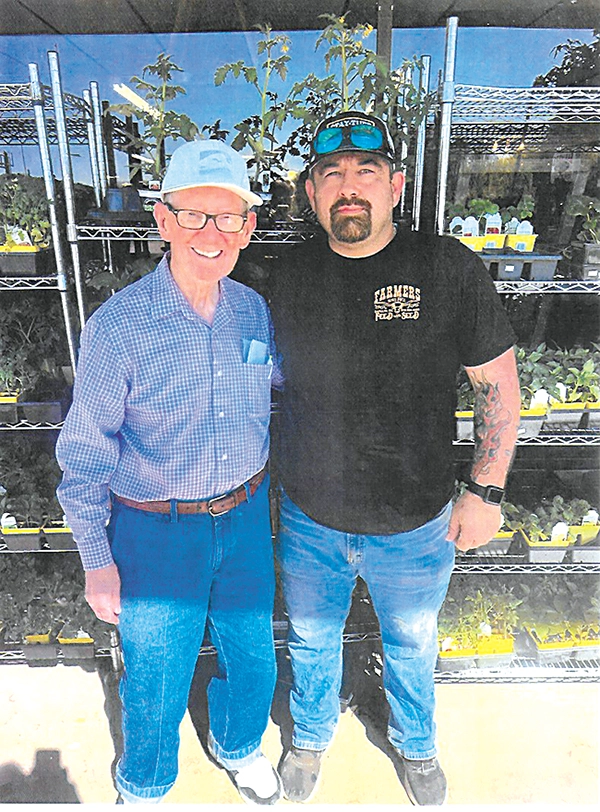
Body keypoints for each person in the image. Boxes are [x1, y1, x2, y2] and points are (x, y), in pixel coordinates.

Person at [268, 112, 521, 806]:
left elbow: (496, 384)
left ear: (397, 186)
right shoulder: (284, 277)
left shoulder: (445, 268)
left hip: (415, 522)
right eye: (332, 176)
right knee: (312, 644)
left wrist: (486, 492)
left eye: (365, 173)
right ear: (312, 194)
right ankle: (310, 738)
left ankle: (415, 745)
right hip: (311, 517)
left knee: (412, 644)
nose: (349, 189)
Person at [56, 140, 283, 806]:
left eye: (228, 218)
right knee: (155, 677)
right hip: (155, 533)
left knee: (253, 658)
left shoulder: (252, 309)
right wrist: (97, 560)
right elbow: (86, 452)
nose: (211, 234)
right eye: (194, 216)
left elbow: (275, 392)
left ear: (247, 227)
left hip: (243, 520)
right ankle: (146, 783)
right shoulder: (119, 328)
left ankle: (239, 747)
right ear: (162, 221)